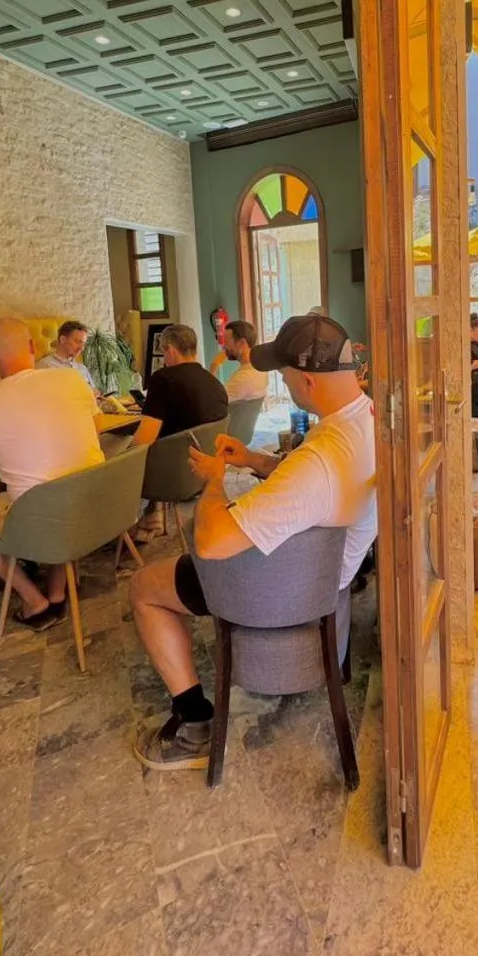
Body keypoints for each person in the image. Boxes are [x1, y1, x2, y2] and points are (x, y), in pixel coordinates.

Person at [130, 314, 376, 771]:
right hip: (328, 571)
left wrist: (214, 482)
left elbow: (213, 543)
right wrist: (253, 460)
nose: (282, 383)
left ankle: (195, 722)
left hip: (280, 587)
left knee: (144, 587)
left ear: (306, 379)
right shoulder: (367, 419)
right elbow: (307, 480)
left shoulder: (321, 459)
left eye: (283, 374)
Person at [0, 317, 105, 630]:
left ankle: (33, 599)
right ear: (34, 347)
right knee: (62, 484)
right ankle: (57, 591)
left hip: (41, 518)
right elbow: (96, 428)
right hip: (95, 506)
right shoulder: (72, 380)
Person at [133, 324, 228, 447]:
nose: (164, 360)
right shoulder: (215, 383)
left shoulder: (163, 378)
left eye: (163, 352)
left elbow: (143, 441)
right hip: (208, 457)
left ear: (171, 350)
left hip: (175, 459)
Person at [208, 319, 268, 402]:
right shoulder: (261, 371)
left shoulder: (242, 378)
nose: (224, 347)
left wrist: (213, 367)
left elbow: (212, 400)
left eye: (226, 342)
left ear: (242, 344)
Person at [36, 320, 96, 392]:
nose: (81, 348)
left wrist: (97, 396)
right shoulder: (45, 365)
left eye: (83, 344)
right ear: (63, 339)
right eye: (77, 342)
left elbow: (93, 391)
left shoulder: (82, 368)